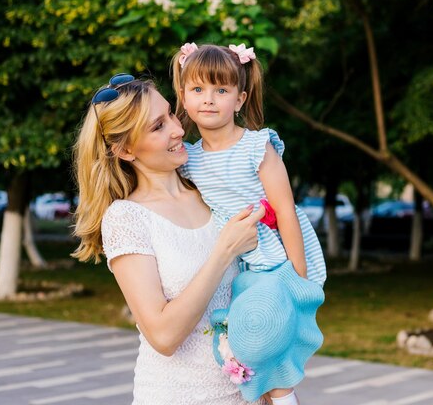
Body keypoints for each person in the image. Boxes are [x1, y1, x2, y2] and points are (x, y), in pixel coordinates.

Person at [71, 73, 268, 405]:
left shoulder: (211, 190)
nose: (178, 129)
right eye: (157, 126)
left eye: (171, 114)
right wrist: (223, 252)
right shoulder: (127, 218)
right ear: (125, 150)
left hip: (247, 394)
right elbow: (163, 336)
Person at [171, 43, 326, 405]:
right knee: (246, 345)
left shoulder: (257, 146)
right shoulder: (187, 158)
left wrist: (297, 277)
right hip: (236, 262)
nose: (208, 99)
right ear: (183, 96)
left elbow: (285, 210)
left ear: (239, 100)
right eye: (198, 90)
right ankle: (271, 395)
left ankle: (285, 398)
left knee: (263, 333)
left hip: (273, 256)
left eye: (221, 91)